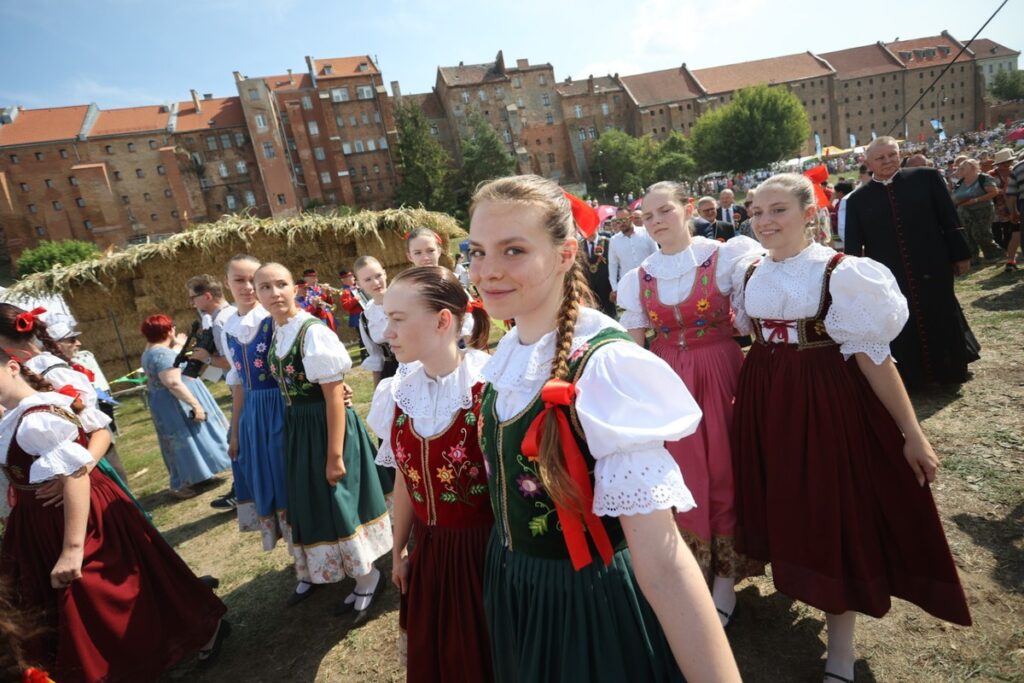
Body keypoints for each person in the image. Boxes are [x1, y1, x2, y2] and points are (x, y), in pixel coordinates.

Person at [468, 174, 740, 682]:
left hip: (585, 605)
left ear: (566, 254)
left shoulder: (604, 367)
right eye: (477, 251)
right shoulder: (506, 356)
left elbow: (662, 563)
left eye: (513, 250)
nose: (487, 271)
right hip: (514, 586)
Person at [734, 173, 971, 683]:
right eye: (756, 212)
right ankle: (797, 581)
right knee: (785, 505)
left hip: (822, 407)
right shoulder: (750, 271)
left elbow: (875, 359)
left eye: (777, 210)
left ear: (808, 212)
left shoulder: (841, 272)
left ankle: (840, 648)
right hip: (764, 405)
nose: (764, 221)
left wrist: (913, 432)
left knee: (830, 514)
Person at [0, 349, 230, 682]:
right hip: (43, 520)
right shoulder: (18, 415)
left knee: (103, 594)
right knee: (107, 593)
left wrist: (72, 549)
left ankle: (155, 650)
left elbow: (80, 466)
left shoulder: (38, 417)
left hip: (78, 517)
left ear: (11, 367)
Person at [618, 181, 764, 626]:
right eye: (648, 216)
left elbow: (754, 318)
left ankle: (725, 577)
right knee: (681, 475)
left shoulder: (725, 258)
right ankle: (692, 567)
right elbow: (635, 345)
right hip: (666, 382)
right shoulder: (637, 277)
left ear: (685, 209)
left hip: (719, 374)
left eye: (665, 210)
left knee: (723, 469)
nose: (657, 220)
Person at [368, 265, 494, 682]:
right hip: (431, 553)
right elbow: (406, 476)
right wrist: (400, 549)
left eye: (399, 319)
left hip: (485, 558)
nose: (388, 332)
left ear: (443, 321)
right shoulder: (401, 392)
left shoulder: (488, 390)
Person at [256, 262, 393, 617]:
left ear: (294, 288)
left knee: (339, 496)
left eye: (281, 285)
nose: (274, 294)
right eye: (265, 288)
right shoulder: (278, 328)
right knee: (319, 498)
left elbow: (332, 395)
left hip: (326, 425)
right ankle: (345, 569)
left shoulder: (311, 331)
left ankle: (368, 577)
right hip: (301, 426)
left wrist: (334, 454)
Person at [844, 136, 978, 388]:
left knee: (941, 313)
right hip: (889, 273)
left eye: (892, 155)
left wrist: (960, 254)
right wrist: (855, 280)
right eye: (880, 158)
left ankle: (950, 372)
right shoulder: (857, 200)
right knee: (902, 321)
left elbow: (949, 218)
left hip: (933, 262)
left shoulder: (926, 178)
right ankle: (913, 377)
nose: (888, 161)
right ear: (868, 163)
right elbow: (853, 245)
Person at [218, 255, 307, 602]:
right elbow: (238, 381)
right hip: (253, 412)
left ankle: (310, 555)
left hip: (281, 406)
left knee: (290, 480)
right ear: (228, 284)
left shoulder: (273, 320)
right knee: (269, 482)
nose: (245, 287)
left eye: (250, 279)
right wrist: (236, 429)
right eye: (237, 280)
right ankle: (298, 560)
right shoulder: (228, 326)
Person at [0, 305, 137, 510]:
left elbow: (97, 431)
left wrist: (78, 473)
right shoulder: (19, 377)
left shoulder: (49, 371)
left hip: (82, 479)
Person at [140, 314, 232, 499]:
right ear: (167, 330)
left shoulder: (150, 350)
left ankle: (199, 475)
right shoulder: (161, 354)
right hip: (176, 404)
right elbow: (173, 382)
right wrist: (195, 405)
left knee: (186, 442)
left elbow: (170, 360)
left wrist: (178, 346)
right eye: (171, 326)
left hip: (165, 404)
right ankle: (182, 484)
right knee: (185, 442)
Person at [185, 275, 238, 510]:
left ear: (206, 296)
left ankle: (243, 493)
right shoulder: (231, 314)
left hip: (242, 388)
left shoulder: (219, 322)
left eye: (193, 298)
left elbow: (231, 361)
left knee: (235, 442)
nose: (192, 303)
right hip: (242, 387)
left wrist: (205, 358)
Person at [355, 255, 399, 387]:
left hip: (419, 367)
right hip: (391, 374)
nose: (375, 283)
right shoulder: (366, 317)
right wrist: (377, 394)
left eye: (378, 275)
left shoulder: (405, 302)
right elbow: (376, 359)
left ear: (385, 274)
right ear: (359, 284)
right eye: (367, 279)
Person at [951, 159, 1001, 263]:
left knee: (980, 233)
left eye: (963, 167)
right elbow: (954, 196)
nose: (959, 169)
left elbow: (994, 192)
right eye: (959, 168)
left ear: (972, 167)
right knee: (968, 235)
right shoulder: (959, 182)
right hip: (964, 212)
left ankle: (993, 253)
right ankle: (973, 258)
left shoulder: (983, 178)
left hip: (982, 210)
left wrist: (975, 200)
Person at [608, 207, 658, 299]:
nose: (621, 224)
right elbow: (612, 265)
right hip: (628, 286)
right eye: (618, 221)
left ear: (631, 218)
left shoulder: (646, 233)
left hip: (650, 282)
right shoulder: (614, 240)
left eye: (623, 220)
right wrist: (615, 288)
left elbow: (657, 255)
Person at [579, 227, 615, 316]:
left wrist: (614, 288)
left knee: (609, 317)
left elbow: (616, 266)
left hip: (606, 288)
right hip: (588, 289)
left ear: (597, 226)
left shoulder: (608, 242)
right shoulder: (579, 245)